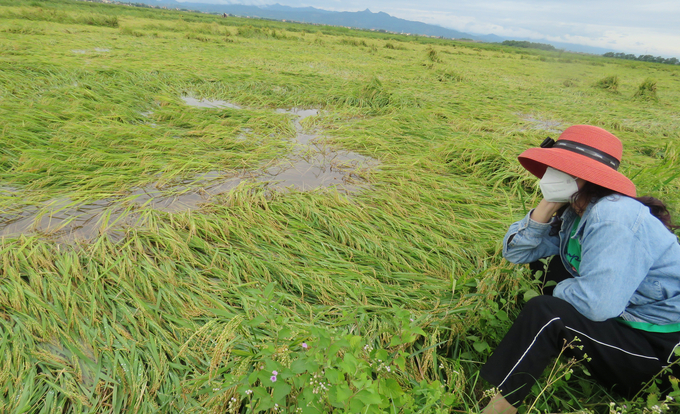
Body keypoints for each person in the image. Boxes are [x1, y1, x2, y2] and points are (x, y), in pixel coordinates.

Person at [479, 125, 680, 414]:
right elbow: (517, 253)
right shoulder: (577, 210)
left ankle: (498, 408)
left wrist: (560, 293)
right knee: (548, 266)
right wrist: (548, 204)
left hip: (661, 356)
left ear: (582, 177)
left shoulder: (613, 217)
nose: (549, 174)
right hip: (626, 326)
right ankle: (542, 354)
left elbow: (598, 306)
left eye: (559, 169)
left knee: (546, 311)